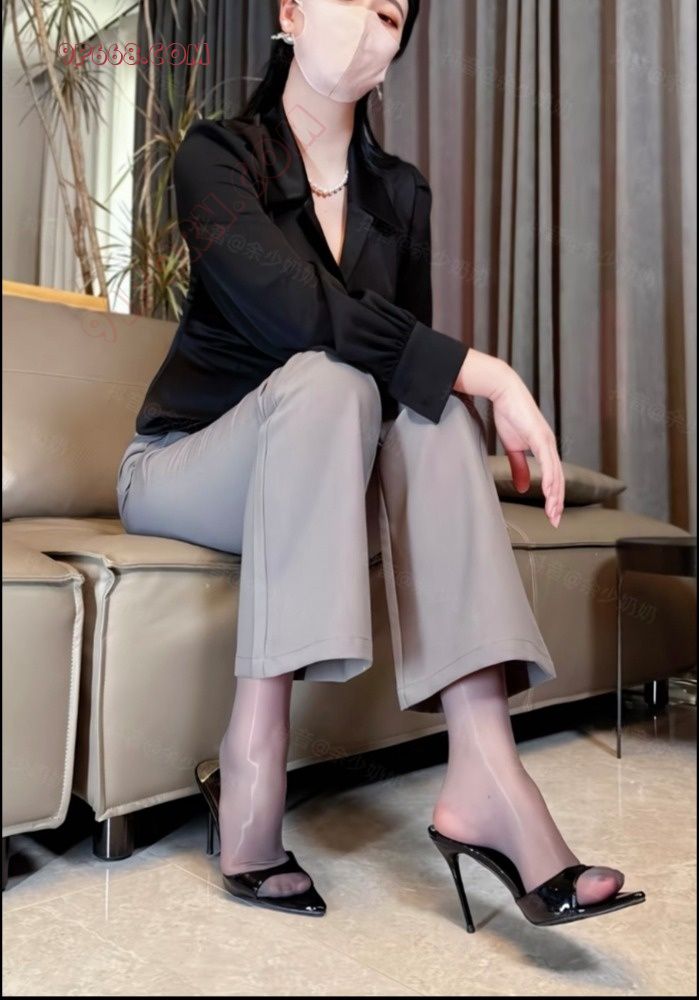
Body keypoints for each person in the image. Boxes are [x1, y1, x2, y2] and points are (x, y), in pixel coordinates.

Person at [116, 0, 645, 927]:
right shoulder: (217, 155)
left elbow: (402, 374)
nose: (367, 24)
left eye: (390, 14)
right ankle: (249, 761)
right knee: (331, 376)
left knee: (427, 409)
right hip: (187, 465)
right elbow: (292, 312)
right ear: (289, 12)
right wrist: (489, 372)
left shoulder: (400, 194)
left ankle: (486, 775)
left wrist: (452, 385)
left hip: (321, 465)